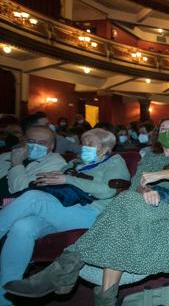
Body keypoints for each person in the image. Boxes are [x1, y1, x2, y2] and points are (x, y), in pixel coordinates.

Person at [4, 118, 169, 305]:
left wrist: (156, 177)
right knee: (121, 214)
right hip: (144, 203)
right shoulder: (150, 158)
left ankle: (63, 269)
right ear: (158, 135)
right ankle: (105, 299)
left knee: (123, 202)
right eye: (163, 128)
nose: (167, 131)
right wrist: (147, 189)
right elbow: (137, 185)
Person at [0, 128, 130, 306]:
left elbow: (108, 191)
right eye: (83, 143)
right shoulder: (74, 163)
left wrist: (68, 180)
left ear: (104, 147)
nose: (85, 146)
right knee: (23, 226)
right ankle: (5, 298)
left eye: (90, 143)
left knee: (33, 199)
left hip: (93, 214)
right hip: (64, 210)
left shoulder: (114, 161)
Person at [1, 125, 67, 196]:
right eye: (31, 141)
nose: (35, 145)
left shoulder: (56, 163)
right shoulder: (5, 156)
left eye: (42, 143)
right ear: (22, 141)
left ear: (52, 146)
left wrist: (16, 163)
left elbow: (22, 192)